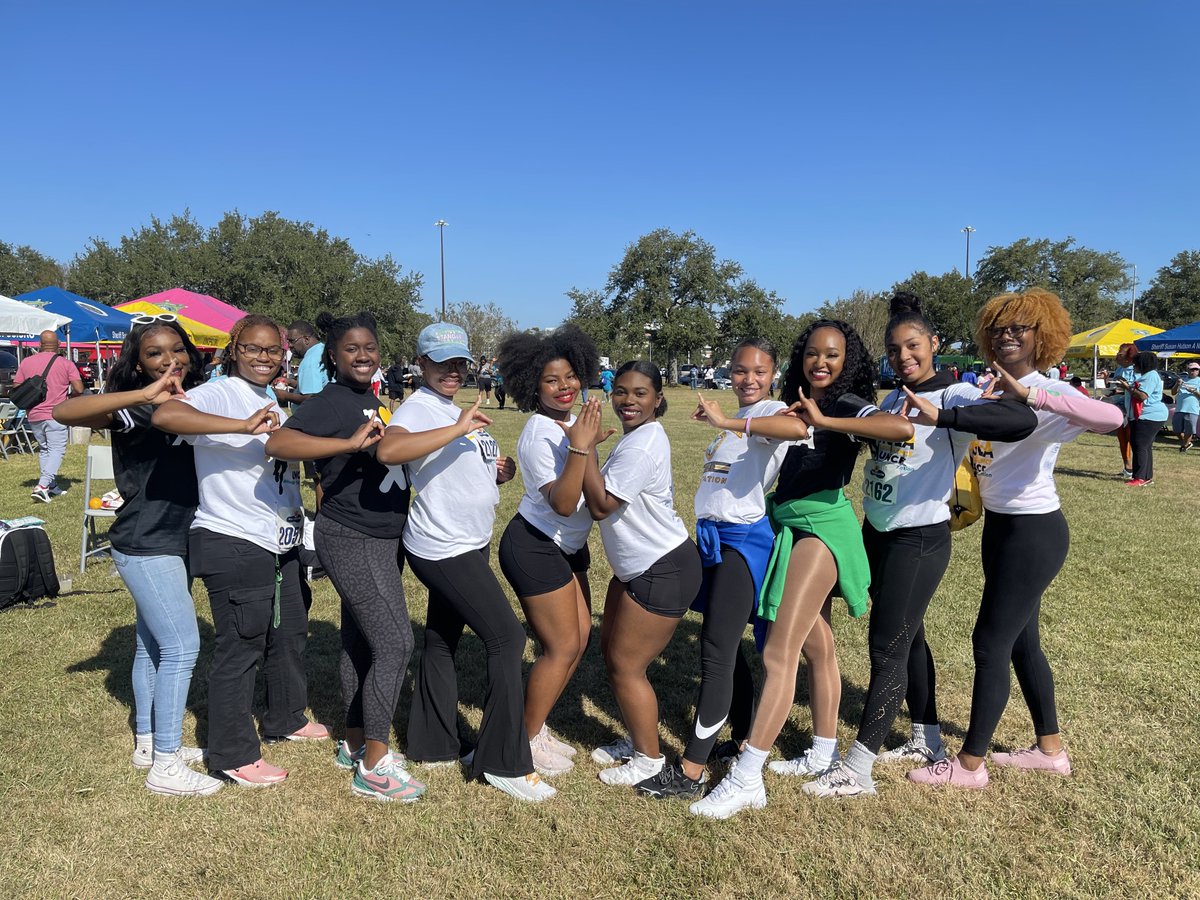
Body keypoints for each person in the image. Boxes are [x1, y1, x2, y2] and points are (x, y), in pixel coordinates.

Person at [800, 293, 1036, 800]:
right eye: (893, 348)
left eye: (913, 345)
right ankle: (927, 739)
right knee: (911, 639)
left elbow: (1020, 422)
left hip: (919, 538)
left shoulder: (952, 397)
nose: (903, 356)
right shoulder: (889, 399)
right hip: (878, 533)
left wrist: (949, 419)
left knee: (887, 644)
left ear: (934, 344)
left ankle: (857, 767)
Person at [689, 320, 914, 819]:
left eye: (832, 355)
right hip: (786, 523)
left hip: (822, 527)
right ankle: (823, 749)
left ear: (846, 360)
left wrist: (826, 422)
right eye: (813, 353)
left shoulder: (847, 402)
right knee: (818, 645)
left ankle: (747, 777)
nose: (821, 363)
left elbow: (900, 429)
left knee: (778, 650)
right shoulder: (789, 397)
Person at [906, 288, 1122, 790]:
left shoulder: (1047, 390)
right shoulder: (986, 385)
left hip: (1034, 531)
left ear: (1041, 336)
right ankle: (1050, 751)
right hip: (1000, 527)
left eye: (1020, 328)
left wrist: (1035, 396)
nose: (1007, 335)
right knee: (1025, 642)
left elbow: (1113, 420)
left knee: (990, 640)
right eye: (1000, 328)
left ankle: (969, 765)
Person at [376, 322, 551, 802]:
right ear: (421, 363)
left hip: (468, 541)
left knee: (441, 641)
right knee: (507, 637)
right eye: (441, 362)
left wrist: (497, 471)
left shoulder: (450, 407)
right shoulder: (418, 407)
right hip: (441, 546)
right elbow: (389, 449)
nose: (453, 370)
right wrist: (456, 429)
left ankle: (433, 743)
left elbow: (455, 466)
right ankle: (505, 762)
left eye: (459, 362)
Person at [153, 314, 329, 788]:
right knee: (242, 645)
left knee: (290, 631)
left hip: (279, 538)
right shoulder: (221, 392)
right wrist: (241, 425)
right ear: (234, 349)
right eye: (253, 348)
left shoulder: (268, 394)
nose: (263, 357)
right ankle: (231, 751)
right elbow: (166, 415)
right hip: (232, 537)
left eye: (272, 350)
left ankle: (286, 717)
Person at [53, 315, 226, 797]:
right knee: (182, 647)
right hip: (148, 542)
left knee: (152, 645)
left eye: (177, 349)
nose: (169, 359)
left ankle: (148, 744)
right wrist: (143, 395)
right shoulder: (134, 408)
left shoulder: (199, 399)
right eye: (155, 353)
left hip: (180, 536)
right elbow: (66, 412)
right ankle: (166, 765)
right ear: (138, 362)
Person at [265, 312, 425, 803]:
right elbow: (279, 441)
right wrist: (346, 443)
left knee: (360, 639)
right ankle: (375, 766)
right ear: (332, 356)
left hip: (381, 536)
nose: (363, 355)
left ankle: (353, 741)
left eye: (370, 347)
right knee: (396, 643)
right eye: (352, 348)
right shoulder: (332, 401)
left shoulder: (367, 399)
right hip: (352, 537)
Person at [636, 339, 792, 800]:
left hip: (742, 542)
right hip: (714, 543)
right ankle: (742, 734)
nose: (748, 379)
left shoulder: (772, 411)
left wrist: (728, 420)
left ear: (774, 373)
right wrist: (721, 424)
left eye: (758, 371)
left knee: (715, 653)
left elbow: (796, 427)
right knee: (722, 645)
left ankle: (690, 771)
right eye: (740, 370)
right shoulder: (737, 421)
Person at [572, 361, 702, 788]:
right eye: (621, 391)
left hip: (662, 567)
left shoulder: (644, 444)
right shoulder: (635, 439)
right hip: (637, 567)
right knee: (614, 658)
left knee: (628, 666)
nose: (628, 400)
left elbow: (601, 506)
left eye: (640, 393)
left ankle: (649, 758)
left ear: (657, 400)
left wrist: (585, 448)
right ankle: (637, 739)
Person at [494, 326, 600, 777]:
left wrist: (586, 443)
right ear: (532, 386)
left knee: (578, 640)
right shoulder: (539, 432)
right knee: (561, 646)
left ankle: (535, 728)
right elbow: (562, 501)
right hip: (534, 545)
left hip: (566, 548)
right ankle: (522, 738)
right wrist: (581, 445)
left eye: (571, 376)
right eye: (552, 380)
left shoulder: (568, 426)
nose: (565, 387)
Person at [13, 330, 83, 503]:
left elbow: (16, 385)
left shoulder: (26, 362)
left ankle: (51, 486)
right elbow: (79, 389)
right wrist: (69, 398)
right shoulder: (66, 363)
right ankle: (42, 486)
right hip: (56, 413)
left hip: (34, 414)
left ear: (40, 344)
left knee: (44, 449)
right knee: (57, 450)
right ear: (58, 344)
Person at [1124, 351, 1168, 486]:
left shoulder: (1150, 376)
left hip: (1149, 415)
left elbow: (1142, 396)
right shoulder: (1148, 375)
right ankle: (1147, 476)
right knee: (1145, 446)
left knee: (1140, 445)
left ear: (1142, 364)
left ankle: (1139, 478)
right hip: (1146, 415)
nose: (1134, 365)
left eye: (1136, 363)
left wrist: (1127, 387)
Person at [1107, 343, 1137, 478]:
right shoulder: (1120, 369)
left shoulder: (1136, 370)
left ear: (1128, 358)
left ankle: (1136, 468)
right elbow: (1114, 386)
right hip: (1119, 405)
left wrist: (1124, 387)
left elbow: (1136, 390)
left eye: (1120, 354)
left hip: (1131, 408)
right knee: (1122, 437)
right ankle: (1127, 466)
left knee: (1132, 438)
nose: (1117, 356)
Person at [1174, 362, 1200, 452]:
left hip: (1192, 409)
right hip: (1179, 408)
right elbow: (1173, 392)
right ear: (1188, 370)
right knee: (1176, 430)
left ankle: (1184, 447)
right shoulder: (1182, 380)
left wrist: (1194, 392)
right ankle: (1187, 443)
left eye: (1196, 369)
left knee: (1189, 431)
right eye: (1192, 369)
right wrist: (1177, 384)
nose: (1194, 371)